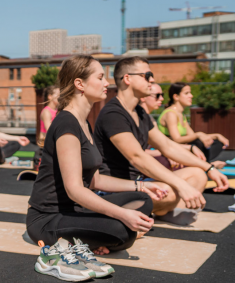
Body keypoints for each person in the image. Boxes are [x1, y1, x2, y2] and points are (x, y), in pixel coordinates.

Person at [27, 56, 165, 282]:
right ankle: (58, 254)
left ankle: (87, 237)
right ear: (80, 84)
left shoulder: (84, 122)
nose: (106, 83)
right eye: (100, 77)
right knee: (123, 231)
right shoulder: (66, 124)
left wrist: (142, 185)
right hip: (47, 219)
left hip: (74, 211)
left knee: (143, 201)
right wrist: (122, 215)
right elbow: (74, 190)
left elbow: (95, 181)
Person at [94, 57, 228, 226]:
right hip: (113, 190)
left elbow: (168, 146)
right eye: (147, 75)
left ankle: (159, 212)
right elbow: (137, 157)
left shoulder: (140, 113)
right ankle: (136, 215)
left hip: (138, 184)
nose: (152, 80)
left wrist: (208, 168)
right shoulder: (113, 114)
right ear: (127, 78)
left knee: (198, 175)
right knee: (171, 192)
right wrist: (181, 185)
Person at [158, 82, 229, 168]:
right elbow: (177, 139)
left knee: (216, 143)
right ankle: (207, 164)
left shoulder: (181, 114)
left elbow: (192, 136)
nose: (191, 96)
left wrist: (216, 136)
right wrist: (199, 134)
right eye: (186, 93)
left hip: (183, 148)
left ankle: (204, 163)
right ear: (176, 96)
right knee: (198, 144)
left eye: (190, 93)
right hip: (171, 149)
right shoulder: (171, 114)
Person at [140, 83, 207, 170]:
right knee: (194, 169)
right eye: (157, 95)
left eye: (162, 95)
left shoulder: (150, 118)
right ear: (143, 97)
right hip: (143, 162)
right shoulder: (138, 117)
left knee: (198, 148)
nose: (162, 98)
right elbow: (136, 152)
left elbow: (161, 144)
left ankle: (207, 165)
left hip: (158, 152)